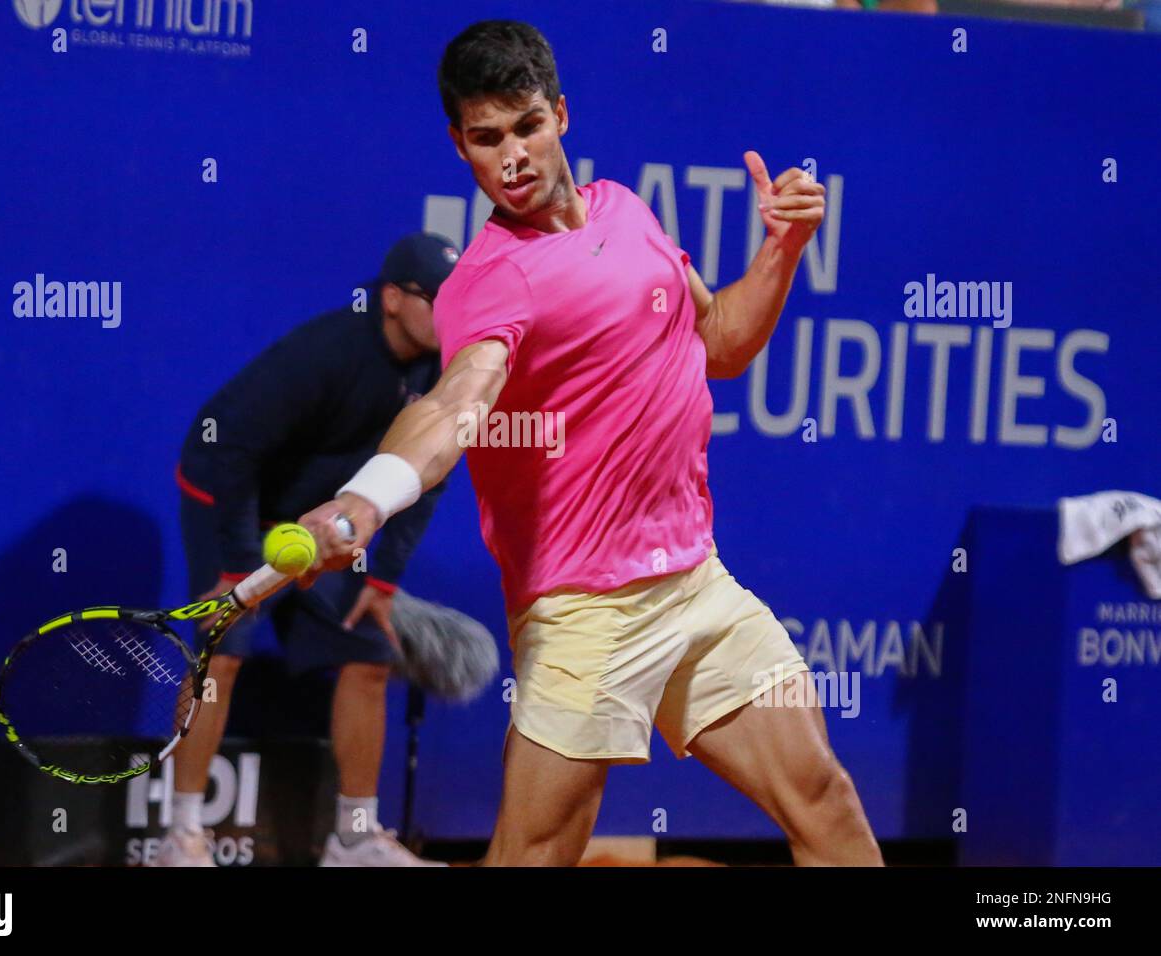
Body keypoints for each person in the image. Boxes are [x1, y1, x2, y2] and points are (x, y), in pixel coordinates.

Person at [294, 20, 883, 866]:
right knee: (534, 857)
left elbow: (720, 344)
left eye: (526, 125)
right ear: (460, 146)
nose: (513, 157)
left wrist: (782, 249)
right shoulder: (487, 286)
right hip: (582, 614)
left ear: (561, 114)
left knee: (823, 798)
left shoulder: (630, 213)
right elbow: (454, 407)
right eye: (486, 139)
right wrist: (365, 499)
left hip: (697, 586)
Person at [156, 233, 460, 867]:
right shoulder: (328, 352)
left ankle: (352, 838)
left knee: (370, 654)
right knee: (224, 652)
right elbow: (226, 447)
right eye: (438, 298)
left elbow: (424, 479)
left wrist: (383, 581)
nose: (451, 311)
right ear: (394, 299)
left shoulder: (443, 369)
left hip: (317, 522)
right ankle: (179, 836)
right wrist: (237, 568)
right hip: (228, 492)